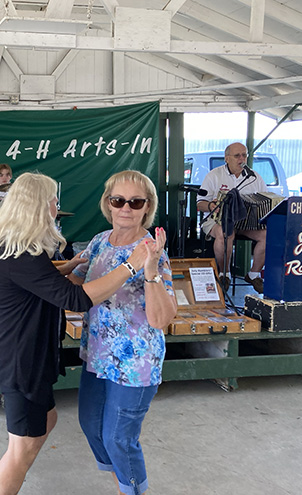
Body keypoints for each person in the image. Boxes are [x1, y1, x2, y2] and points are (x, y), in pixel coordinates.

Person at [0, 172, 161, 495]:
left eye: (134, 202)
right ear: (37, 207)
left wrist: (68, 266)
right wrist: (131, 266)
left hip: (30, 357)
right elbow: (75, 299)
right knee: (21, 448)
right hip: (19, 361)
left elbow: (39, 278)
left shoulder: (19, 246)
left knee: (47, 420)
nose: (56, 207)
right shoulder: (20, 253)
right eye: (53, 202)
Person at [69, 170, 177, 495]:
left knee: (119, 439)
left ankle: (132, 490)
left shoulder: (151, 250)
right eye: (118, 200)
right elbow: (75, 283)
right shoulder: (100, 241)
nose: (126, 208)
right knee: (91, 426)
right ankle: (123, 486)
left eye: (135, 201)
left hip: (135, 365)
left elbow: (162, 319)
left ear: (147, 207)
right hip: (97, 356)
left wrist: (151, 271)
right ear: (108, 204)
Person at [196, 142, 268, 293]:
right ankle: (224, 273)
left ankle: (253, 274)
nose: (241, 159)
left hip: (245, 222)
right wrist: (211, 206)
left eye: (244, 155)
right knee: (226, 232)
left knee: (266, 235)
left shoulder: (255, 177)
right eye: (237, 156)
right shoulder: (214, 175)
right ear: (227, 158)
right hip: (216, 220)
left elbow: (265, 200)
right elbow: (200, 204)